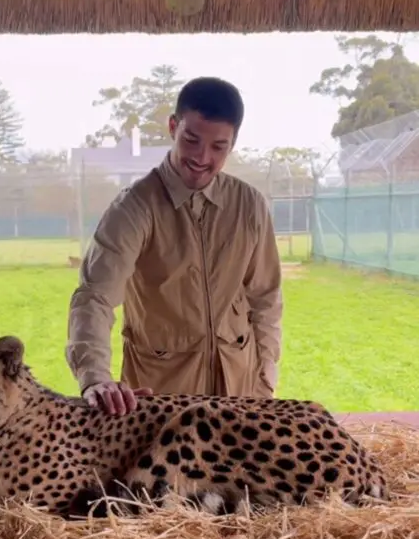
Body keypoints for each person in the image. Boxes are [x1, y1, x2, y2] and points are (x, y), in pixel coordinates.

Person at [66, 76, 283, 416]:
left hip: (239, 392)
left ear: (232, 144)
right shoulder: (134, 208)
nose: (201, 157)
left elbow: (265, 297)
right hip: (161, 399)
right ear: (173, 127)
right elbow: (95, 296)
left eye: (218, 147)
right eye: (191, 140)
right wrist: (95, 377)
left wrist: (265, 377)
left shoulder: (250, 206)